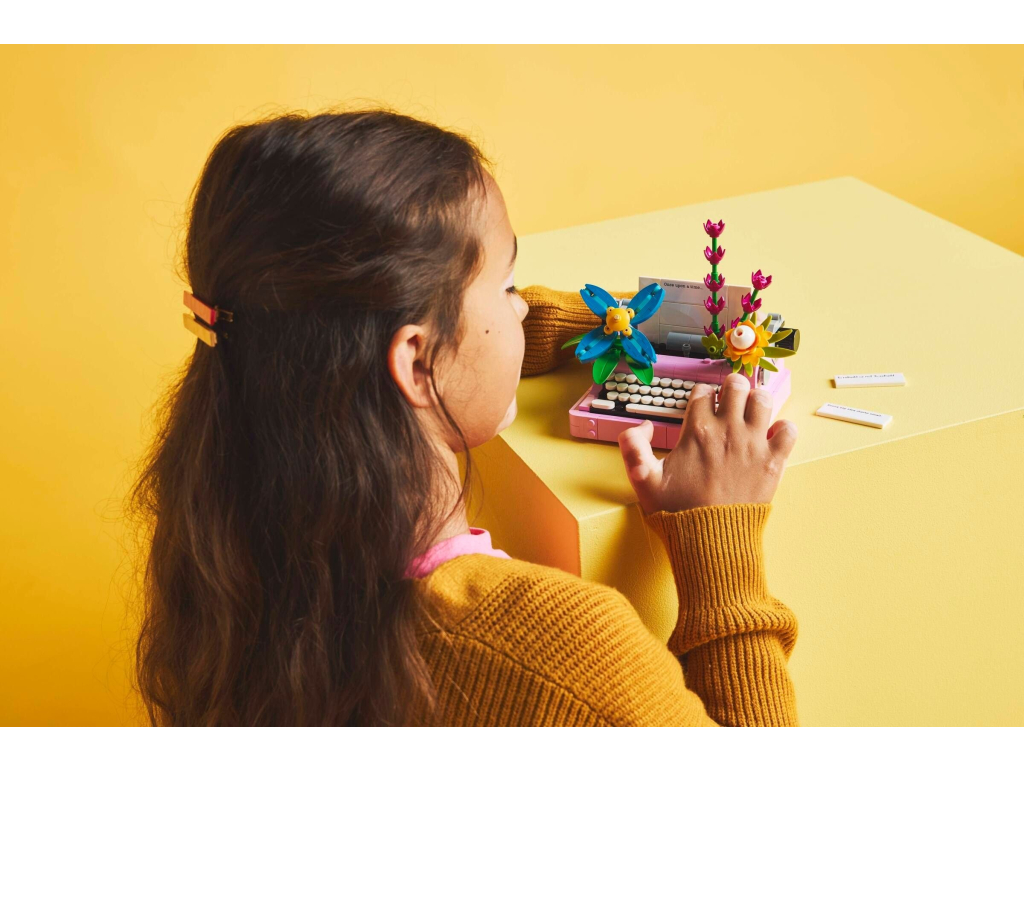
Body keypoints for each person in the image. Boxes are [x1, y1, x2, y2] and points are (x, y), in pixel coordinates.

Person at [129, 108, 800, 727]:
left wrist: (613, 323)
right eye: (507, 287)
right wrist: (722, 541)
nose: (522, 307)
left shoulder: (223, 557)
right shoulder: (566, 655)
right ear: (418, 362)